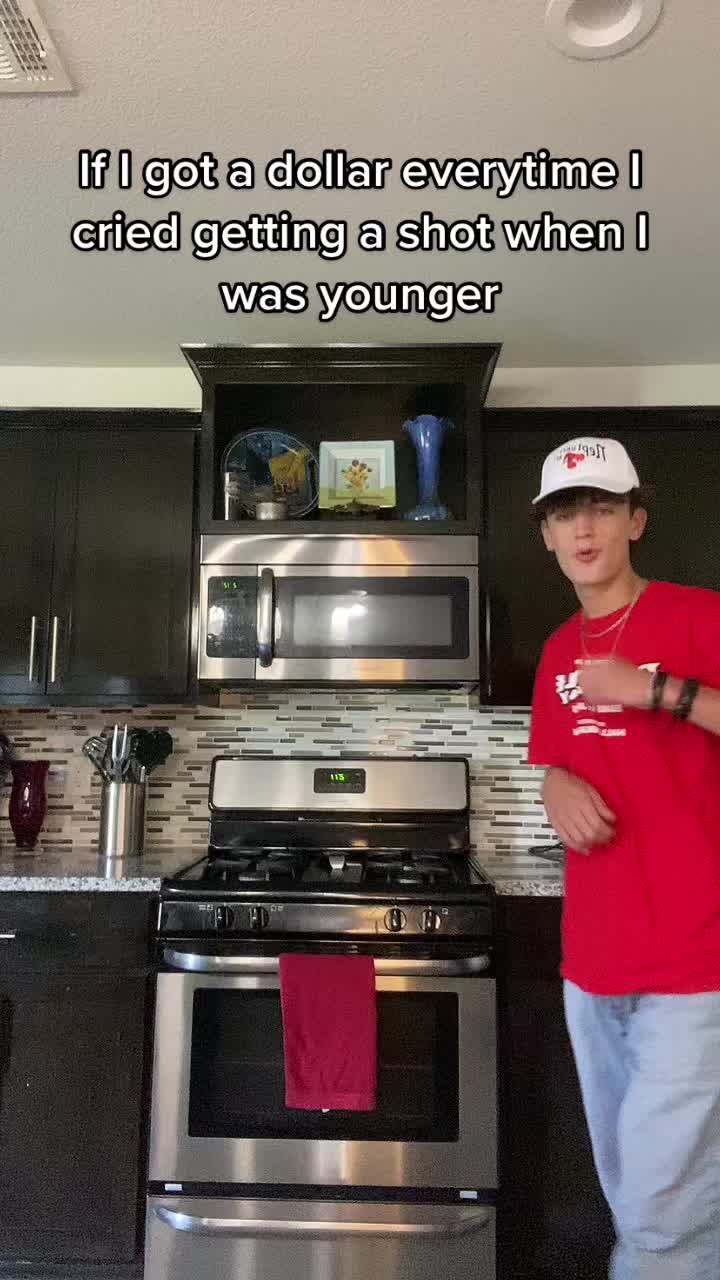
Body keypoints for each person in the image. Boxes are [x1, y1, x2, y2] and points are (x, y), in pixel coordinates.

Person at [527, 435, 720, 1280]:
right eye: (566, 512)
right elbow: (557, 761)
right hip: (595, 961)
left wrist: (653, 688)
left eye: (602, 507)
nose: (584, 527)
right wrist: (553, 786)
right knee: (638, 1192)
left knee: (661, 1207)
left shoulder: (699, 616)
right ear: (547, 536)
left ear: (635, 521)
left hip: (694, 956)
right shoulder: (556, 650)